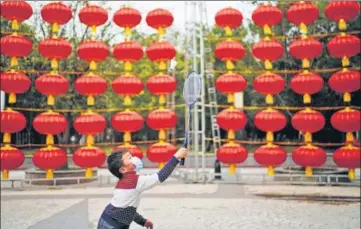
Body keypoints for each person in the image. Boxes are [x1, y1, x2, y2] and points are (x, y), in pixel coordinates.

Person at [97, 147, 188, 229]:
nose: (134, 159)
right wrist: (176, 157)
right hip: (112, 226)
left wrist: (143, 221)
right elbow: (161, 176)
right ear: (123, 169)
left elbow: (127, 208)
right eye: (130, 158)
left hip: (108, 221)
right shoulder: (134, 181)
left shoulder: (122, 182)